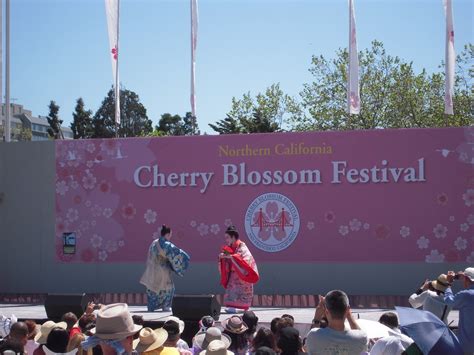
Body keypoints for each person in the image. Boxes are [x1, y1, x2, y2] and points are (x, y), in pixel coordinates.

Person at [140, 225, 191, 312]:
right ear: (167, 234)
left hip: (153, 269)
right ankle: (165, 306)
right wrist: (185, 258)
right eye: (170, 234)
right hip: (163, 270)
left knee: (153, 288)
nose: (170, 236)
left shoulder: (154, 243)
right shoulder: (167, 245)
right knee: (168, 288)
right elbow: (176, 254)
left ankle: (152, 306)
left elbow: (150, 256)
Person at [305, 290, 368, 355]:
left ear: (326, 312)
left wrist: (316, 319)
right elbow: (359, 335)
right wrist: (349, 315)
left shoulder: (314, 336)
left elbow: (306, 348)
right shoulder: (361, 338)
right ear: (347, 310)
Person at [219, 226, 259, 313]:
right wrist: (223, 257)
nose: (226, 240)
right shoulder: (230, 247)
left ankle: (241, 309)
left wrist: (232, 257)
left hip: (242, 278)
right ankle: (232, 308)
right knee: (230, 300)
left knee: (242, 301)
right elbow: (229, 260)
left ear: (233, 237)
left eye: (227, 237)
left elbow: (246, 260)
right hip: (233, 277)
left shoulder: (242, 247)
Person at [445, 267, 474, 354]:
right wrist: (463, 276)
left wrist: (449, 283)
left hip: (467, 345)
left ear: (466, 278)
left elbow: (449, 301)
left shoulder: (466, 295)